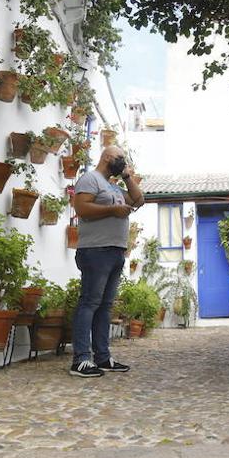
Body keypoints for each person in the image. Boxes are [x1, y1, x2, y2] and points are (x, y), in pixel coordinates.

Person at [69, 144, 144, 378]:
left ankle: (102, 357)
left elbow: (139, 199)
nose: (123, 161)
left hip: (115, 251)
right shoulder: (90, 179)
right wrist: (112, 210)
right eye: (120, 158)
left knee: (105, 305)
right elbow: (80, 208)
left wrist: (127, 175)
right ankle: (81, 360)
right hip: (95, 250)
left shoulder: (114, 186)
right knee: (90, 302)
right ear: (107, 157)